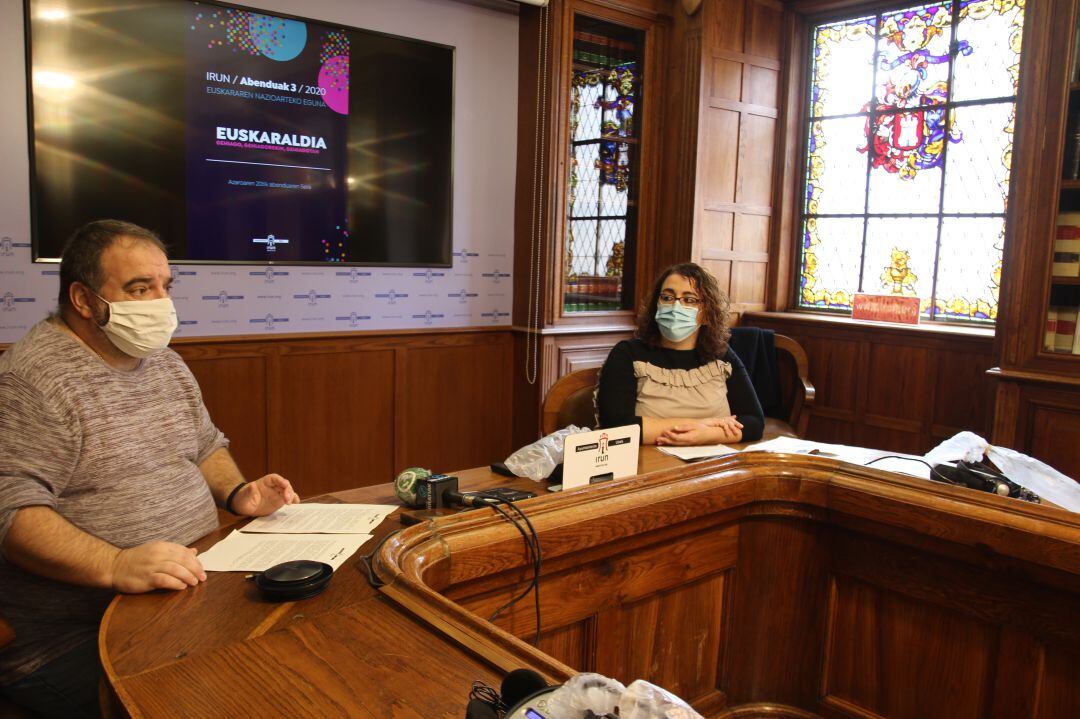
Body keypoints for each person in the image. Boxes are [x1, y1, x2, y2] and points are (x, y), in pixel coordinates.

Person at [0, 220, 299, 718]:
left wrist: (238, 492)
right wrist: (115, 565)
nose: (160, 303)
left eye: (165, 286)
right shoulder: (31, 384)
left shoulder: (161, 361)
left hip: (188, 600)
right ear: (82, 298)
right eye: (140, 288)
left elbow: (205, 445)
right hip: (79, 639)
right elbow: (14, 516)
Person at [595, 262, 764, 445]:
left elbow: (754, 422)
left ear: (707, 313)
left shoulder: (722, 356)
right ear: (656, 306)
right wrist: (701, 425)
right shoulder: (627, 353)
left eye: (689, 300)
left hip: (713, 465)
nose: (675, 307)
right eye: (667, 297)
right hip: (650, 465)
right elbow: (616, 427)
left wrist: (706, 434)